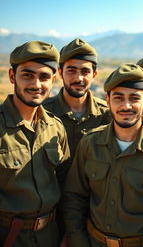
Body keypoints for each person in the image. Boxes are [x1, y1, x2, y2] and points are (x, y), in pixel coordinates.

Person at [63, 63, 143, 247]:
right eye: (118, 98)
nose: (126, 106)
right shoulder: (90, 144)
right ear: (107, 100)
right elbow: (74, 198)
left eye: (134, 98)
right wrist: (78, 241)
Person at [0, 41, 70, 247]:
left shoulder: (55, 127)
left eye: (44, 77)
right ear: (12, 76)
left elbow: (66, 185)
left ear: (54, 79)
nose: (36, 84)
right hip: (9, 237)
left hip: (51, 234)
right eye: (27, 75)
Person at [44, 38, 111, 159]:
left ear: (94, 75)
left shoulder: (106, 115)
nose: (79, 78)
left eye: (85, 71)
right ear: (60, 73)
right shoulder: (43, 112)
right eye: (71, 71)